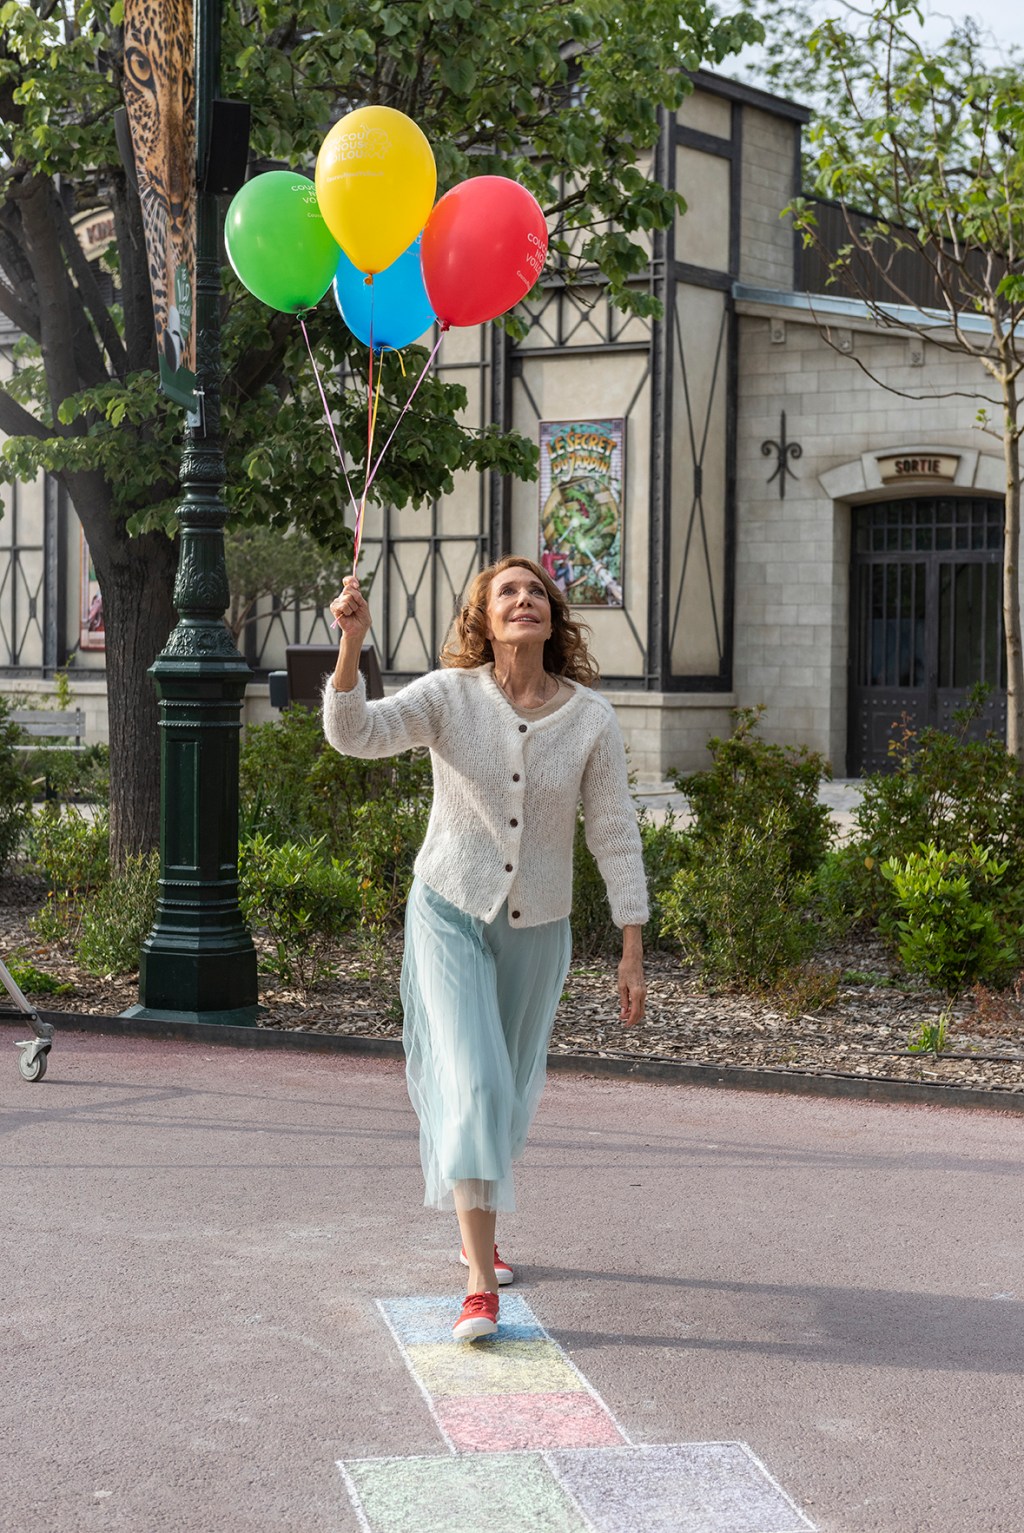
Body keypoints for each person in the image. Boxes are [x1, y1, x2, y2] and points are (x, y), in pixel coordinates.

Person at [324, 556, 648, 1341]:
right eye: (507, 591)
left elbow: (613, 831)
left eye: (536, 590)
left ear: (551, 616)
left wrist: (632, 944)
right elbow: (354, 733)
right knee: (471, 1081)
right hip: (449, 909)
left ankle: (482, 1225)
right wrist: (351, 647)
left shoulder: (589, 718)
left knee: (502, 1092)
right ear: (483, 617)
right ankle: (478, 1281)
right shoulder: (448, 696)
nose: (525, 599)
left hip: (540, 925)